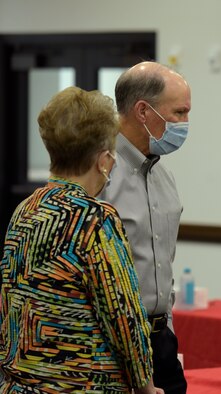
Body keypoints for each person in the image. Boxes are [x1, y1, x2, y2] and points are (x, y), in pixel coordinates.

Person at [0, 87, 161, 393]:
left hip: (20, 384)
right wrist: (147, 387)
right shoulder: (94, 220)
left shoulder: (26, 209)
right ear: (103, 159)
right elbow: (123, 316)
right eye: (112, 154)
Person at [99, 61, 191, 394]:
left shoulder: (165, 177)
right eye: (179, 113)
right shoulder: (100, 174)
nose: (185, 124)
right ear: (143, 111)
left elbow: (165, 265)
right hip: (111, 344)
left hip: (161, 341)